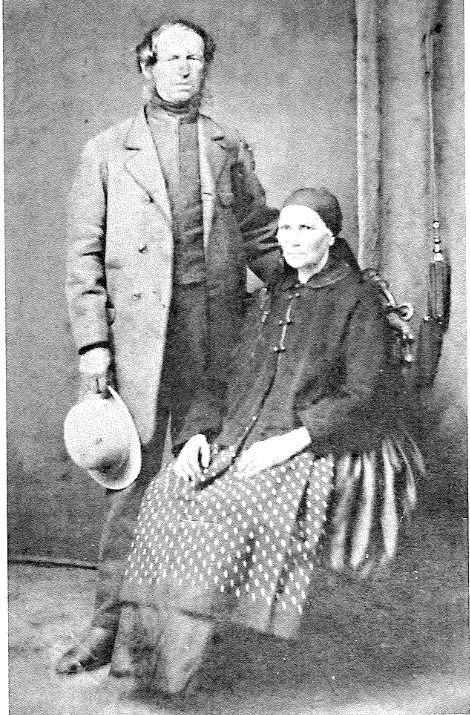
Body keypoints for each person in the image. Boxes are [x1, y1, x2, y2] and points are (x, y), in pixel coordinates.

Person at [109, 188, 423, 694]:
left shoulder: (357, 301)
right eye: (284, 230)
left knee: (228, 510)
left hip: (308, 444)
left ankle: (188, 672)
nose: (291, 240)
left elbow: (364, 394)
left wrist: (295, 440)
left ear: (331, 236)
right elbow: (219, 379)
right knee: (167, 493)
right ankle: (150, 664)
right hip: (236, 436)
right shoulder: (267, 298)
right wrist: (196, 436)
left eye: (305, 229)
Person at [57, 19, 283, 676]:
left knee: (204, 482)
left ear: (206, 67)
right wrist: (93, 347)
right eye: (171, 57)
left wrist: (324, 277)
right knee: (130, 490)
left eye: (195, 57)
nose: (184, 68)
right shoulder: (107, 151)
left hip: (213, 339)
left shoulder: (228, 146)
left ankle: (181, 647)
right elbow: (83, 258)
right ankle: (106, 625)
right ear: (146, 66)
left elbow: (261, 237)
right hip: (136, 347)